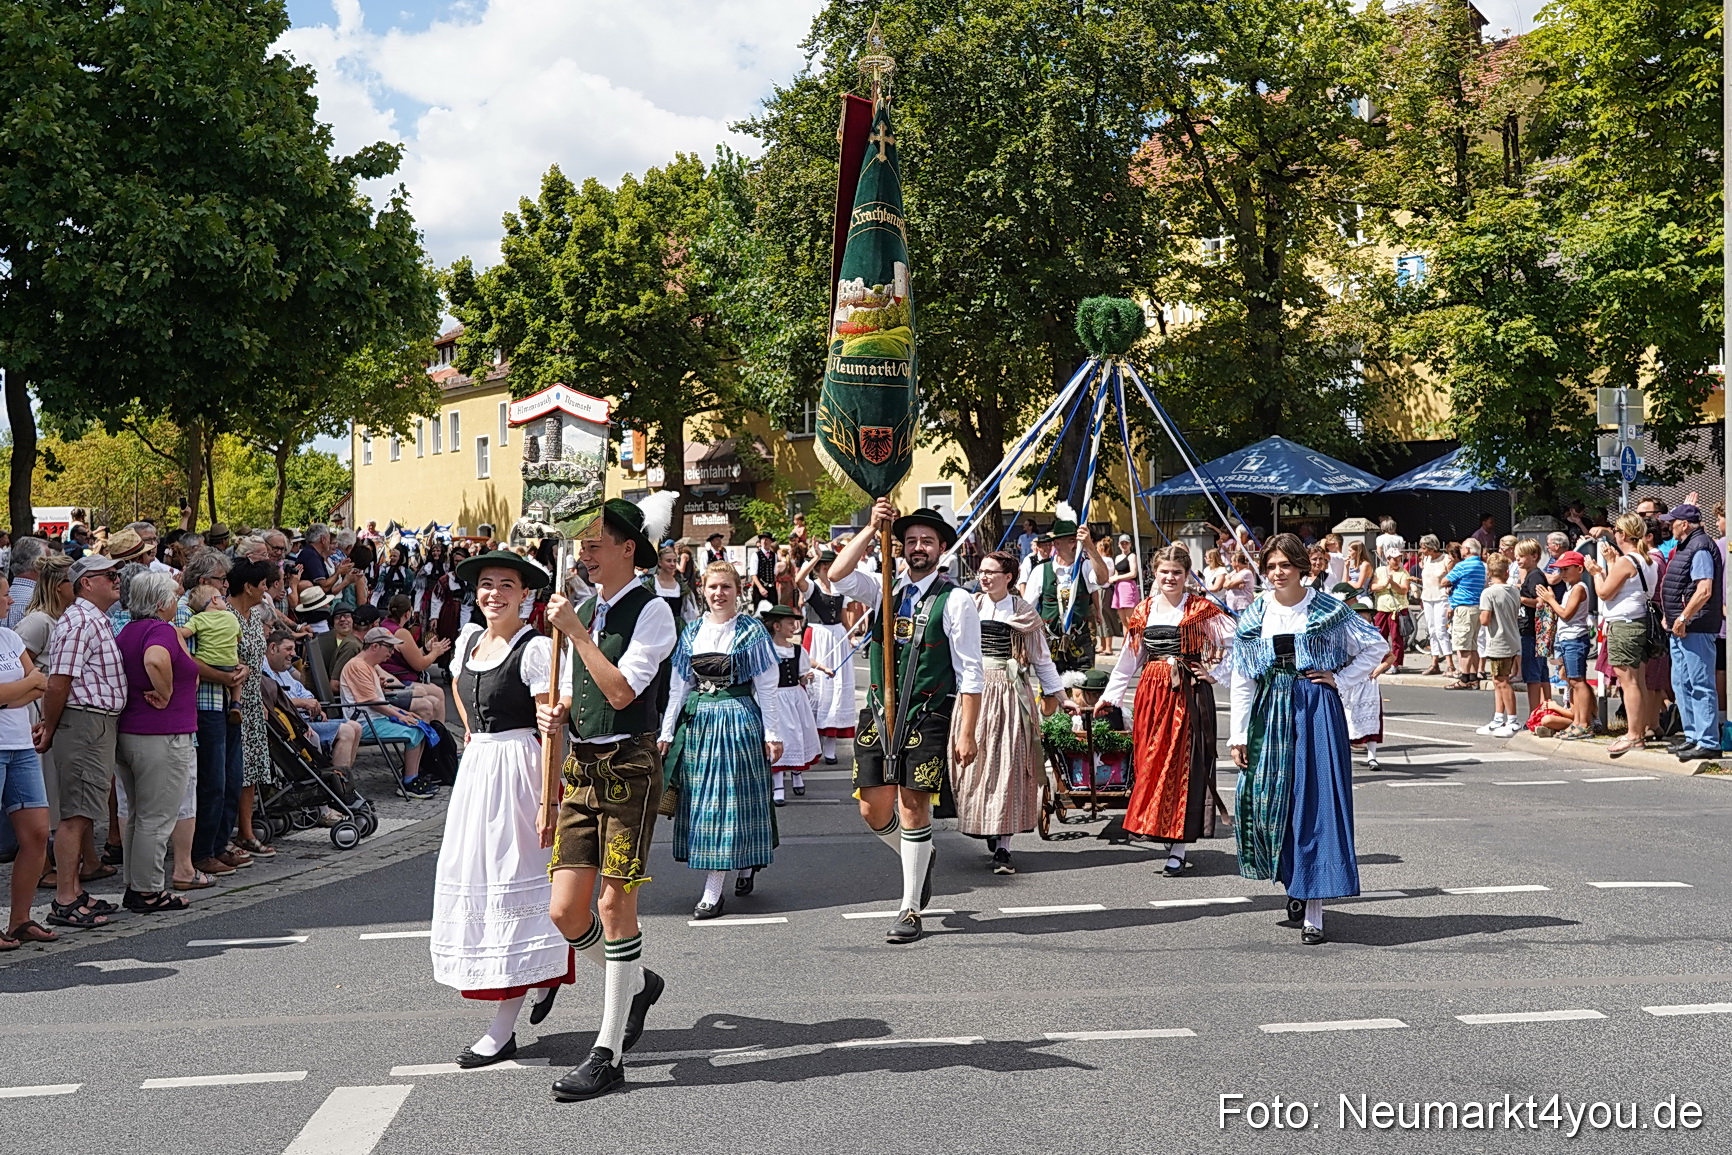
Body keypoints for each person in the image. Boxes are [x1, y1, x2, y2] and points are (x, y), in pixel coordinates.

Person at [536, 495, 677, 1102]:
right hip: (583, 766)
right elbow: (582, 694)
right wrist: (557, 711)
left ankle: (608, 1051)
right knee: (566, 911)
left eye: (597, 543)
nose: (586, 552)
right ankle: (638, 980)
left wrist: (574, 632)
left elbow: (621, 692)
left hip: (631, 765)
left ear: (628, 549)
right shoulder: (585, 608)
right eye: (583, 544)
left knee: (617, 906)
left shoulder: (654, 613)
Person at [429, 550, 573, 1068]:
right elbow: (456, 688)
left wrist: (547, 798)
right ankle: (540, 975)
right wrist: (470, 727)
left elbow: (549, 727)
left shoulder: (536, 648)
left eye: (506, 586)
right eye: (486, 584)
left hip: (519, 771)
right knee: (483, 885)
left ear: (525, 595)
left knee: (516, 885)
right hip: (478, 773)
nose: (494, 594)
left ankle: (503, 1025)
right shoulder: (468, 639)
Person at [826, 501, 983, 945]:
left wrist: (966, 730)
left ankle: (910, 908)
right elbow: (837, 575)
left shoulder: (956, 600)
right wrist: (872, 528)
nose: (918, 548)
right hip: (879, 710)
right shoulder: (883, 589)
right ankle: (921, 854)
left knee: (914, 806)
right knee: (872, 808)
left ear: (942, 550)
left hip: (928, 711)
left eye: (927, 542)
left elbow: (970, 671)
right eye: (910, 541)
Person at [1228, 534, 1385, 946]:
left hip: (1315, 710)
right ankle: (1293, 882)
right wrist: (1238, 734)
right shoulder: (1256, 612)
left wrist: (1340, 678)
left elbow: (1375, 646)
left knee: (1316, 805)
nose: (1278, 573)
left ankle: (1314, 909)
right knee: (1269, 802)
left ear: (1302, 567)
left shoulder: (1328, 608)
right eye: (1272, 566)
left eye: (1285, 565)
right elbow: (1243, 679)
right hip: (1270, 711)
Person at [1098, 545, 1233, 877]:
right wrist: (1110, 697)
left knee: (1180, 765)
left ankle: (1178, 846)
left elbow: (1240, 643)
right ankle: (1158, 825)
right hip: (1151, 694)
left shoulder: (1201, 610)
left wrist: (1215, 673)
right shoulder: (1143, 611)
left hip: (1187, 694)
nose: (1170, 578)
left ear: (1187, 576)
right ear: (1154, 574)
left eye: (1177, 572)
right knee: (1150, 763)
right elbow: (1128, 661)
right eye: (1164, 572)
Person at [659, 567, 785, 916]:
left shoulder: (751, 630)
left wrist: (773, 734)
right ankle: (742, 865)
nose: (719, 593)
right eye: (713, 587)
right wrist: (667, 731)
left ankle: (714, 889)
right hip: (700, 724)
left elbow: (767, 687)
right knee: (706, 803)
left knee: (732, 800)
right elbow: (678, 687)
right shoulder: (693, 631)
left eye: (726, 587)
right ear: (703, 590)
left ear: (738, 590)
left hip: (738, 720)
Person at [953, 551, 1061, 876]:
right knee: (977, 765)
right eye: (982, 571)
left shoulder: (1023, 613)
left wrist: (1056, 692)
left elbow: (1041, 659)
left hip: (1009, 692)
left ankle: (1003, 846)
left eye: (991, 572)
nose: (984, 577)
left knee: (1009, 767)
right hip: (974, 692)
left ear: (1008, 577)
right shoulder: (971, 605)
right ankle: (985, 823)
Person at [37, 554, 129, 929]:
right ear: (86, 582)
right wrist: (50, 725)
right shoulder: (79, 621)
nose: (117, 580)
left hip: (95, 724)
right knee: (75, 815)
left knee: (84, 809)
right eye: (109, 575)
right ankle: (63, 898)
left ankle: (73, 891)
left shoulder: (92, 619)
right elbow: (59, 681)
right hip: (84, 723)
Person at [113, 571, 199, 914]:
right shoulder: (160, 630)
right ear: (162, 603)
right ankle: (148, 890)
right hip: (161, 734)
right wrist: (164, 693)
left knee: (138, 814)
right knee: (157, 817)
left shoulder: (127, 631)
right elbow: (155, 659)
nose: (177, 603)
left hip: (131, 732)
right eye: (174, 598)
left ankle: (136, 885)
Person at [0, 573, 54, 949]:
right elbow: (32, 683)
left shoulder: (10, 638)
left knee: (36, 832)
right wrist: (22, 690)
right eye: (4, 596)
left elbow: (41, 681)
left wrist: (8, 696)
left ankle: (20, 919)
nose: (9, 602)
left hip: (19, 743)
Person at [1589, 515, 1660, 756]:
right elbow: (1625, 589)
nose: (1614, 534)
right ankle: (1637, 732)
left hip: (1624, 625)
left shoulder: (1626, 561)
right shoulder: (1647, 560)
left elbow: (1605, 592)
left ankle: (1633, 734)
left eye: (1616, 530)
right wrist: (1611, 564)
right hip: (1639, 622)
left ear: (1624, 534)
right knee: (1637, 681)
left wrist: (1596, 572)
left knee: (1628, 683)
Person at [1659, 504, 1724, 760]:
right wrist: (1671, 615)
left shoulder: (1700, 548)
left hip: (1695, 627)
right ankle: (1693, 736)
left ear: (1684, 525)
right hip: (1681, 626)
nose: (1668, 525)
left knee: (1700, 684)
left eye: (1672, 521)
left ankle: (1708, 741)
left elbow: (1704, 589)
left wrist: (1684, 616)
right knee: (1682, 683)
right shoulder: (1688, 546)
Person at [343, 627, 435, 797]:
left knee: (419, 725)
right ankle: (409, 781)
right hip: (365, 723)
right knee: (416, 730)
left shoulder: (368, 666)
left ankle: (411, 776)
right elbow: (372, 702)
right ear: (375, 647)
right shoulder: (358, 666)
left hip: (373, 719)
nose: (392, 653)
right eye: (389, 648)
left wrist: (403, 713)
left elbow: (376, 700)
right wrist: (400, 715)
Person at [263, 632, 362, 776]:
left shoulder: (283, 671)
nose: (293, 654)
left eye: (294, 649)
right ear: (273, 648)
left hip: (306, 721)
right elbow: (273, 703)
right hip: (293, 727)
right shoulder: (263, 674)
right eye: (289, 649)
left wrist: (313, 704)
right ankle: (335, 785)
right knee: (346, 731)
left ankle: (342, 781)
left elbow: (303, 692)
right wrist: (303, 703)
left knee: (356, 727)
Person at [1027, 505, 1109, 673]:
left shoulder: (1085, 566)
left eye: (1077, 540)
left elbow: (1103, 579)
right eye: (1072, 540)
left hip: (1080, 640)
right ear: (1057, 543)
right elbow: (1027, 608)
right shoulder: (1041, 571)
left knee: (1083, 691)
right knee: (1050, 695)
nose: (1076, 544)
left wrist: (1089, 547)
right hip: (1050, 642)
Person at [795, 549, 859, 765]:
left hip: (837, 636)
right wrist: (813, 557)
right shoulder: (812, 587)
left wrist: (850, 636)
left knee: (837, 689)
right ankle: (813, 744)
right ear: (823, 568)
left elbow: (843, 616)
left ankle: (830, 748)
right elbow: (798, 579)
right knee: (817, 688)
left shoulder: (840, 588)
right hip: (818, 636)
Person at [760, 604, 818, 806]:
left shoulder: (798, 650)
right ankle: (778, 784)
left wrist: (805, 678)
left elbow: (801, 676)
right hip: (776, 698)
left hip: (794, 698)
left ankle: (796, 774)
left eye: (795, 622)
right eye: (789, 623)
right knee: (780, 737)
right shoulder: (766, 649)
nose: (794, 626)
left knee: (798, 735)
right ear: (776, 626)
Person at [1534, 551, 1594, 740]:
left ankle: (1585, 723)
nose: (1563, 573)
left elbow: (1566, 614)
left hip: (1576, 638)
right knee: (1571, 680)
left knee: (1577, 681)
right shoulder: (1571, 588)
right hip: (1569, 639)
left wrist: (1551, 600)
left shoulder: (1579, 588)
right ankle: (1577, 720)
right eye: (1561, 569)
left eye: (1566, 569)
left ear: (1579, 569)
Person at [1475, 555, 1522, 737]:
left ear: (1489, 572)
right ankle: (1498, 718)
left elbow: (1485, 620)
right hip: (1511, 638)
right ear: (1507, 572)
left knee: (1502, 681)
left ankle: (1512, 720)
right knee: (1497, 680)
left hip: (1498, 640)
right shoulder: (1513, 590)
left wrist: (1480, 616)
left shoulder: (1489, 593)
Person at [1442, 538, 1486, 689]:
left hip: (1464, 608)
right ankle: (1473, 677)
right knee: (1472, 645)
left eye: (1462, 548)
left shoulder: (1463, 565)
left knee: (1463, 645)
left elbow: (1444, 581)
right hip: (1476, 607)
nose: (1460, 551)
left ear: (1467, 550)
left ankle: (1465, 678)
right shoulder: (1480, 565)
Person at [1513, 540, 1550, 718]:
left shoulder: (1535, 576)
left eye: (1521, 556)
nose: (1517, 559)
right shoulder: (1531, 575)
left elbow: (1541, 601)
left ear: (1534, 556)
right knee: (1541, 672)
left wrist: (1520, 598)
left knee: (1533, 675)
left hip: (1531, 630)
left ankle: (1534, 714)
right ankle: (1544, 711)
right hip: (1534, 631)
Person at [1369, 545, 1410, 672]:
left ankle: (1395, 664)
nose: (1397, 561)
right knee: (1380, 636)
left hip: (1396, 609)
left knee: (1396, 638)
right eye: (1394, 558)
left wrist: (1392, 583)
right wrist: (1383, 584)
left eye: (1399, 558)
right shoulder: (1380, 571)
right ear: (1388, 559)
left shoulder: (1404, 573)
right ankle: (1381, 662)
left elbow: (1404, 590)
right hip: (1382, 608)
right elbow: (1373, 587)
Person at [1108, 534, 1141, 654]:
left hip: (1128, 587)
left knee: (1130, 619)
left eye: (1126, 543)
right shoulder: (1117, 557)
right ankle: (1126, 645)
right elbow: (1117, 573)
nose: (1124, 545)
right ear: (1119, 544)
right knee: (1123, 620)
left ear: (1130, 544)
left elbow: (1133, 573)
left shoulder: (1132, 556)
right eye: (1122, 543)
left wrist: (1117, 577)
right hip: (1119, 588)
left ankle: (1135, 644)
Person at [5, 537, 49, 629]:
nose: (52, 566)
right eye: (48, 561)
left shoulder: (7, 596)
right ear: (37, 564)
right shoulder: (39, 601)